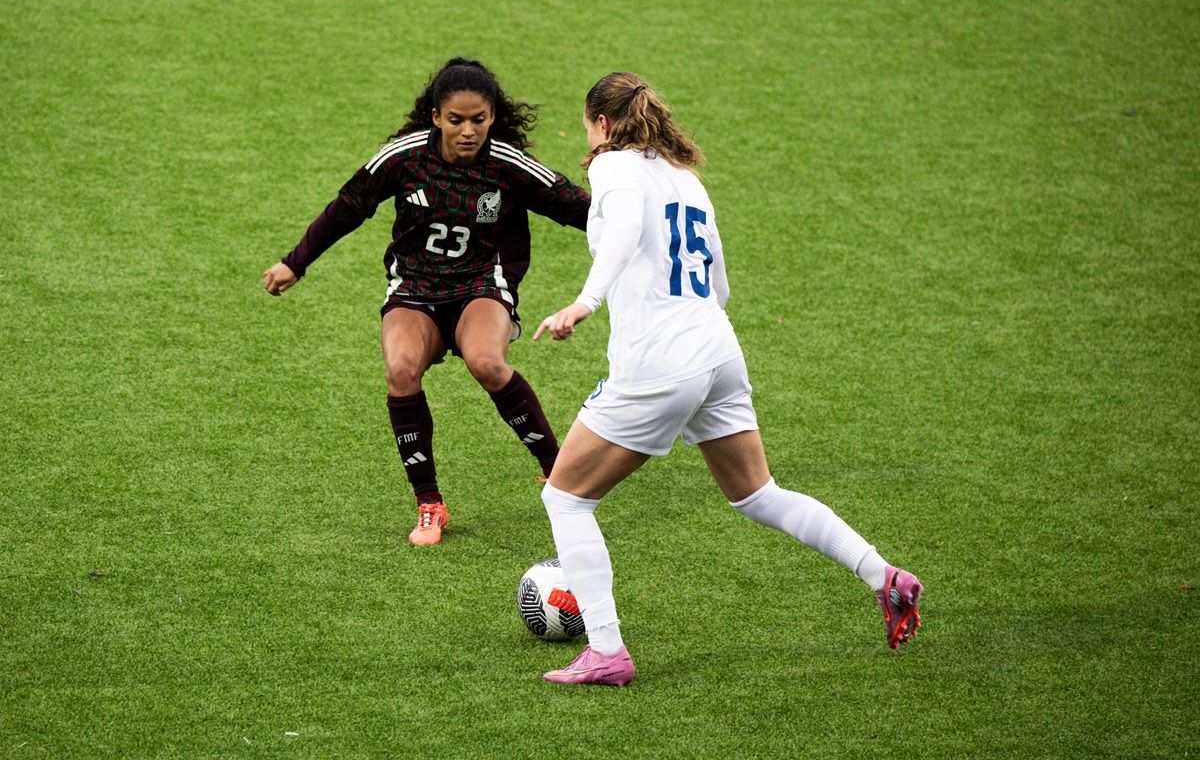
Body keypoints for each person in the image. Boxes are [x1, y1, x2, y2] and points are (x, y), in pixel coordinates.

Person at [530, 72, 923, 686]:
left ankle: (605, 651)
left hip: (659, 362)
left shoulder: (612, 167)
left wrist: (585, 302)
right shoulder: (687, 181)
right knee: (757, 493)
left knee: (566, 497)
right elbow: (720, 283)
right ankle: (884, 577)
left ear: (602, 125)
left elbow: (627, 228)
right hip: (717, 349)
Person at [263, 57, 590, 546]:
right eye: (455, 120)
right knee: (400, 370)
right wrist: (296, 261)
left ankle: (557, 474)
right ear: (436, 116)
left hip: (481, 284)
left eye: (478, 120)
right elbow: (348, 206)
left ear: (492, 117)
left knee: (487, 362)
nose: (467, 131)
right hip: (414, 288)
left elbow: (576, 207)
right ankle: (429, 504)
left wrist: (639, 233)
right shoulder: (403, 158)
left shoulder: (507, 165)